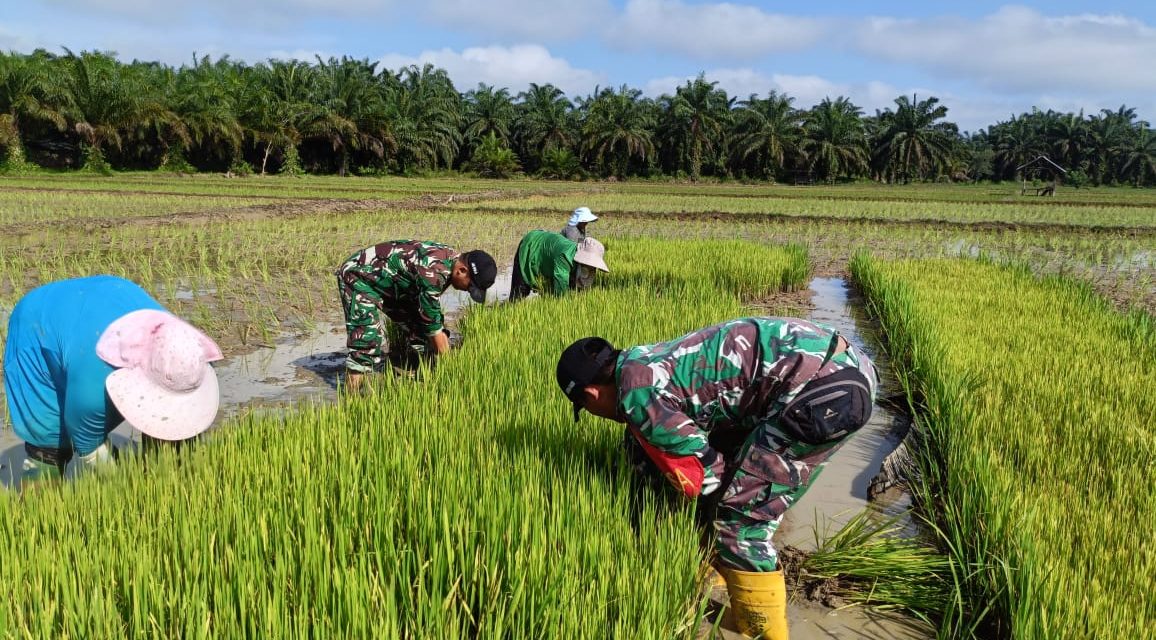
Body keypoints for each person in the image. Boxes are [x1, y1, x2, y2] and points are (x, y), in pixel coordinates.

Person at [555, 317, 878, 639]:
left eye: (585, 408)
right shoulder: (640, 363)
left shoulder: (638, 396)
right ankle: (723, 572)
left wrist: (689, 517)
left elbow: (709, 476)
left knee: (740, 522)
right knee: (729, 473)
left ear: (592, 394)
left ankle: (761, 632)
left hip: (823, 394)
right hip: (845, 364)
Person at [3, 275, 224, 488]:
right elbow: (87, 442)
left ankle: (167, 479)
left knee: (174, 429)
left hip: (109, 297)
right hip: (37, 327)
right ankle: (41, 512)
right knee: (49, 443)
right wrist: (124, 486)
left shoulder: (185, 349)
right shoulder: (93, 391)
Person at [336, 240, 496, 392]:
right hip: (359, 277)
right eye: (469, 286)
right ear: (461, 271)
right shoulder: (433, 273)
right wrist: (453, 373)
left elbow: (429, 317)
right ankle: (351, 398)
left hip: (393, 284)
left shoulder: (452, 262)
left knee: (421, 331)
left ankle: (421, 374)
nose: (467, 291)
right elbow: (434, 328)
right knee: (366, 342)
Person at [509, 231, 609, 301]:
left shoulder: (584, 266)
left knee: (548, 292)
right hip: (531, 245)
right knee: (519, 293)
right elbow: (561, 295)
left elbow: (580, 284)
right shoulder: (564, 257)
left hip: (547, 249)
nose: (591, 268)